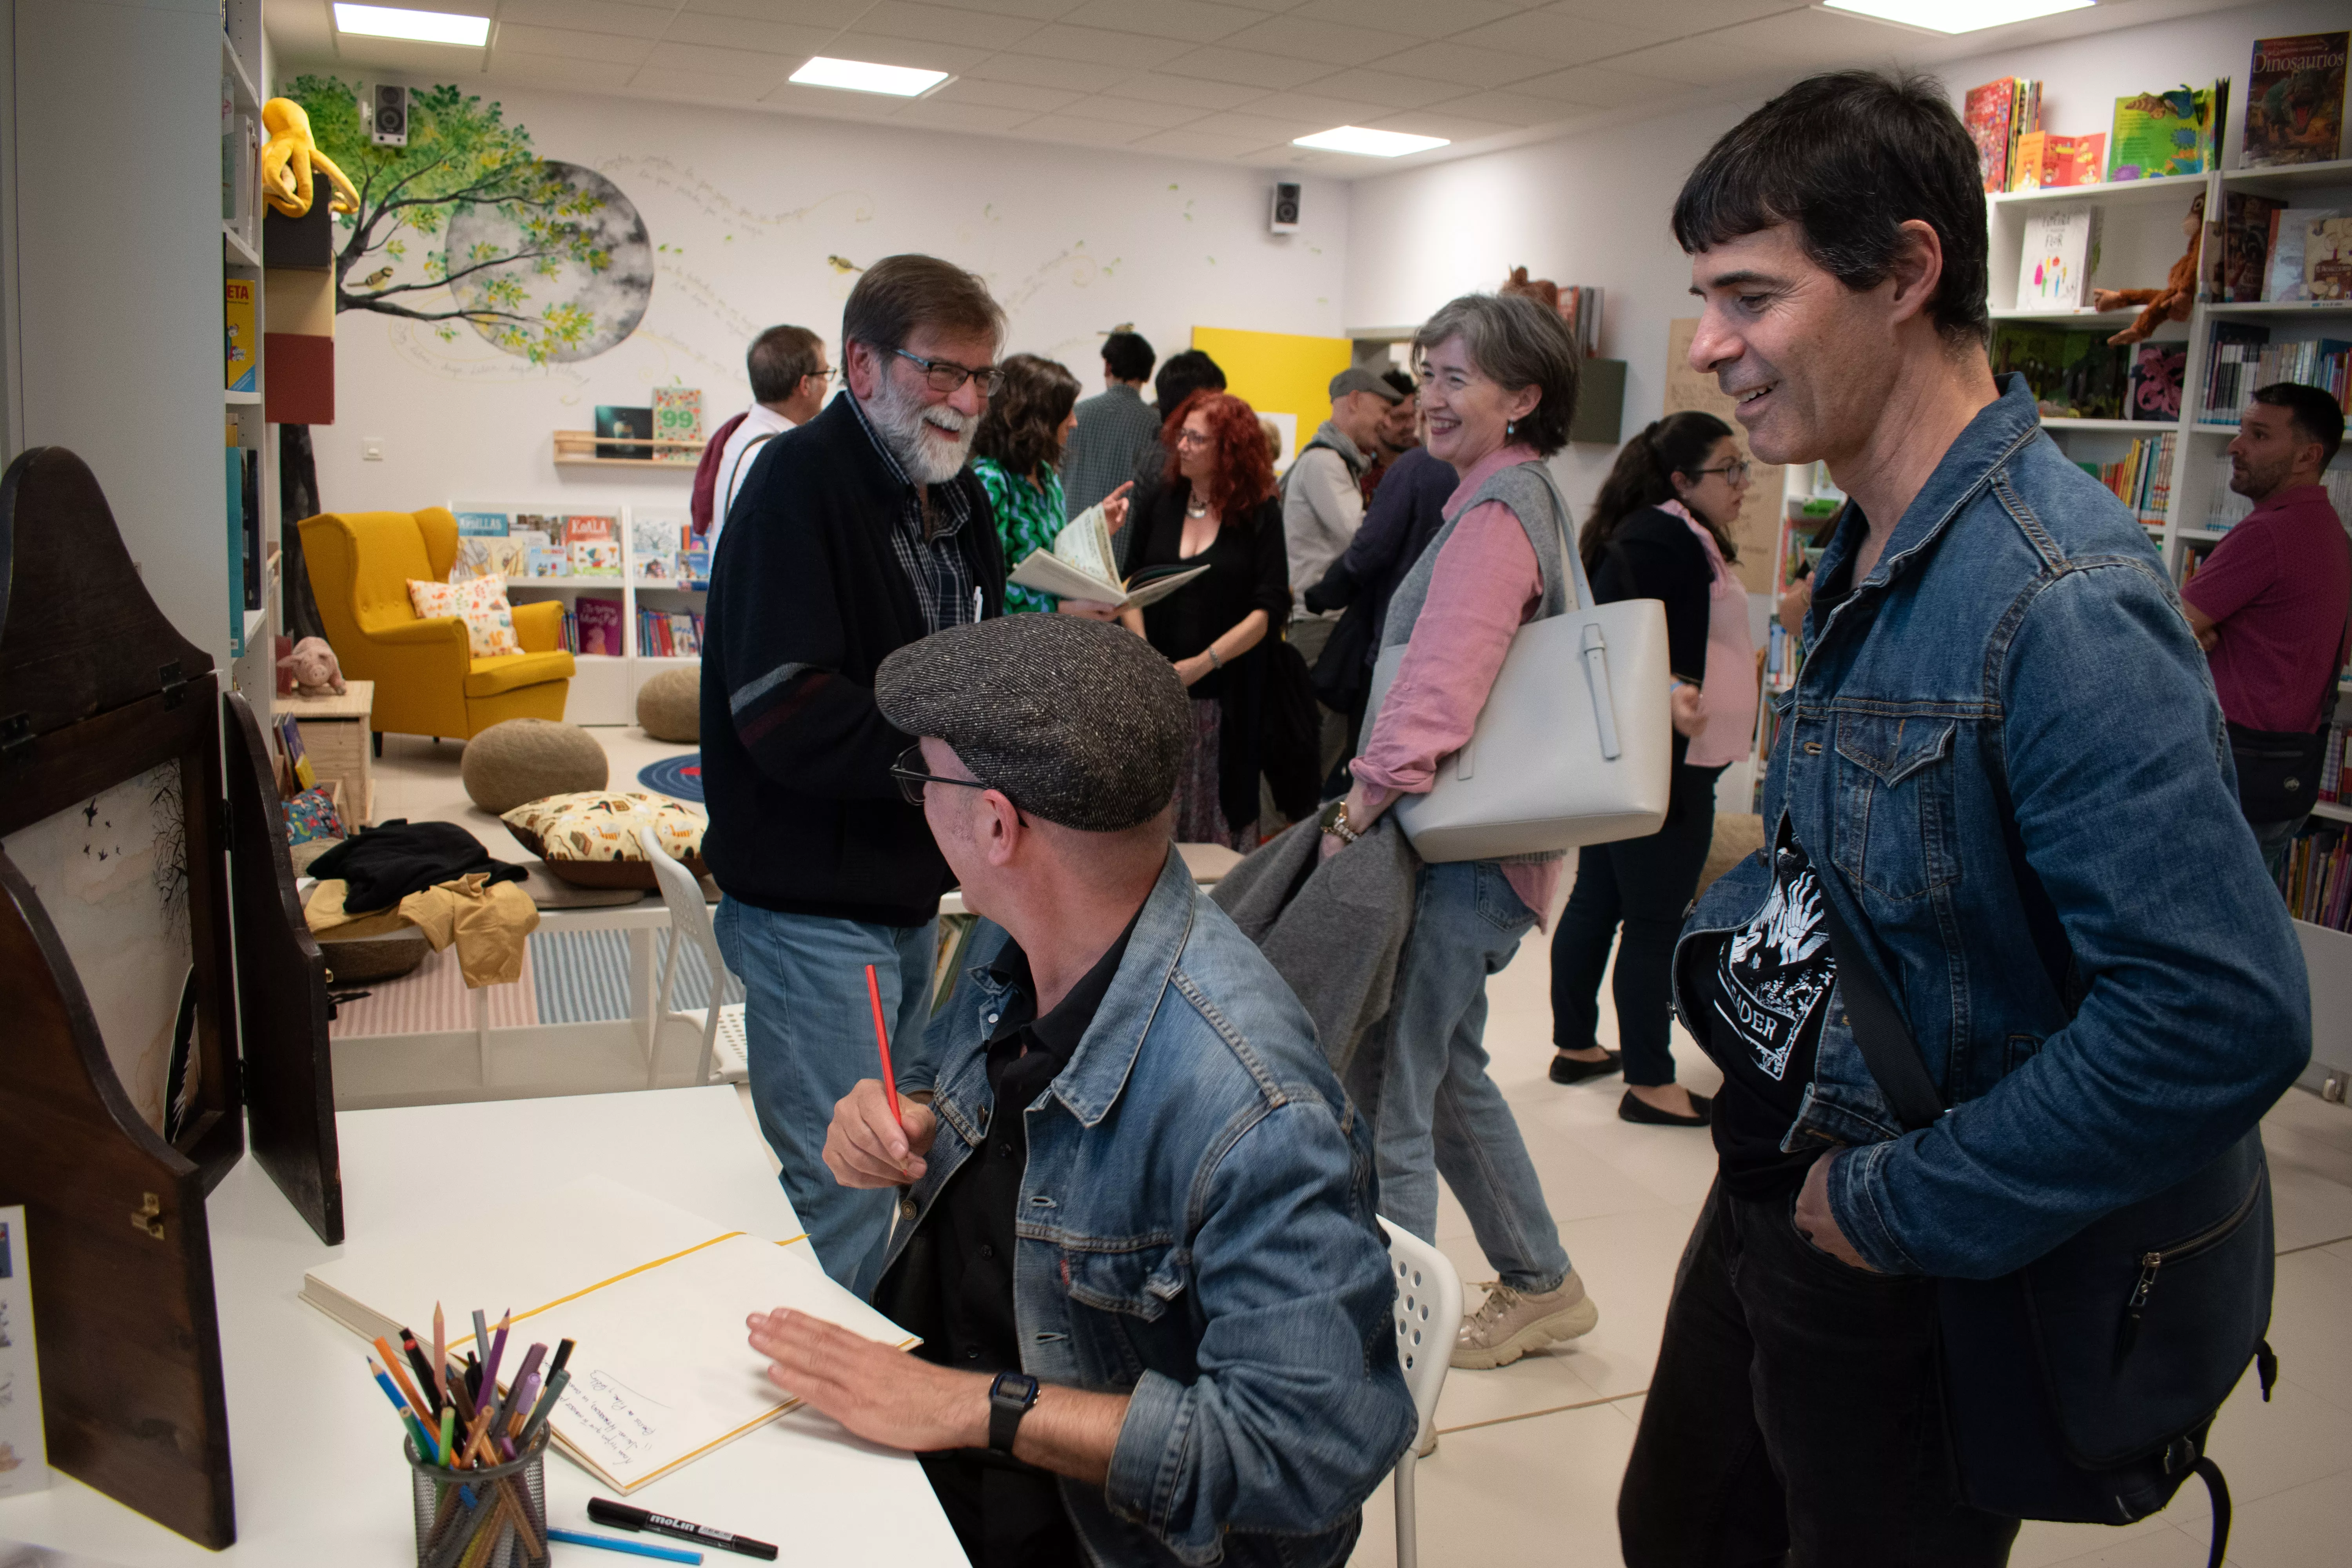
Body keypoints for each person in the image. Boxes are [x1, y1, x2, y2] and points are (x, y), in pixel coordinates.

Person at [1618, 71, 2308, 1566]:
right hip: (1777, 1190)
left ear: (1908, 271)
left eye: (1750, 294)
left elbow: (2217, 1016)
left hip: (1909, 1261)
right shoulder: (1870, 550)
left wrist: (1895, 1206)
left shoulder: (2063, 600)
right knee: (1674, 1530)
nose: (1709, 342)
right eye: (1704, 297)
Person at [745, 612, 1415, 1568]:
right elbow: (952, 1085)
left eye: (922, 778)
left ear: (996, 824)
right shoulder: (1018, 934)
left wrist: (968, 1406)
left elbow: (1305, 1452)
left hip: (1082, 1528)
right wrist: (914, 1117)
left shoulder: (1254, 1109)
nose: (917, 804)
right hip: (936, 1448)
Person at [700, 253, 1010, 1298]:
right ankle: (828, 1387)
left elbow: (967, 664)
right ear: (863, 364)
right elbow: (782, 709)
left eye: (982, 375)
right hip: (811, 910)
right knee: (842, 1190)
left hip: (904, 892)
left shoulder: (954, 497)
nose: (967, 399)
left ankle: (871, 1366)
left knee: (892, 1164)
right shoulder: (798, 486)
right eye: (943, 371)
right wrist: (954, 761)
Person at [1319, 292, 1600, 1372]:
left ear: (1522, 397)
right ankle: (1540, 1279)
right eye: (1426, 376)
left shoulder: (1494, 515)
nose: (1429, 399)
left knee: (1391, 1088)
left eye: (1456, 379)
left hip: (1463, 853)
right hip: (1489, 856)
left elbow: (1440, 686)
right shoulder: (1510, 497)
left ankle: (1391, 1369)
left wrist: (1359, 805)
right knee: (1440, 1075)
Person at [1550, 412, 1755, 1125]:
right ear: (1681, 480)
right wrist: (1674, 694)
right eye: (1729, 469)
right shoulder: (1665, 535)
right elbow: (1623, 635)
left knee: (1602, 901)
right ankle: (1649, 1082)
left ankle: (1577, 1045)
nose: (1743, 483)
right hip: (1668, 764)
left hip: (1656, 759)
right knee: (1653, 920)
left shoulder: (1661, 530)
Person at [2179, 381, 2350, 878]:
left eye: (2259, 435)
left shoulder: (2268, 533)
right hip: (2285, 779)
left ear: (2307, 456)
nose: (2236, 446)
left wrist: (2195, 635)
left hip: (2234, 776)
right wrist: (2196, 633)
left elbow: (2160, 634)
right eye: (2241, 431)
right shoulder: (2333, 534)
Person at [1129, 390, 1290, 850]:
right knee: (1152, 822)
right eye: (1181, 435)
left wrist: (1202, 664)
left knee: (1218, 820)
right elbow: (1130, 583)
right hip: (1158, 693)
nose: (1183, 446)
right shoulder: (1161, 501)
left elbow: (1268, 609)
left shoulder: (1259, 512)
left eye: (1197, 439)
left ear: (1229, 450)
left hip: (1227, 697)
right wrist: (1148, 656)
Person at [969, 353, 1091, 615]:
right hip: (1011, 638)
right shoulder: (991, 480)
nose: (1074, 422)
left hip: (1050, 632)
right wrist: (1060, 609)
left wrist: (1099, 525)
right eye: (1066, 412)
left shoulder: (1046, 476)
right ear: (1039, 417)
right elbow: (985, 585)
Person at [697, 324, 830, 550]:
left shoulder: (743, 434)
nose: (828, 385)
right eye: (825, 374)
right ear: (805, 385)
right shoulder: (777, 453)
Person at [1059, 328, 1157, 519]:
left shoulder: (1074, 415)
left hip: (1073, 527)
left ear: (1108, 367)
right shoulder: (1157, 425)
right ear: (1148, 374)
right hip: (1126, 530)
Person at [1357, 367, 1420, 504]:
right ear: (1380, 417)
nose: (1411, 425)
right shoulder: (1357, 465)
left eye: (1413, 415)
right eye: (1400, 418)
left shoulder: (1428, 462)